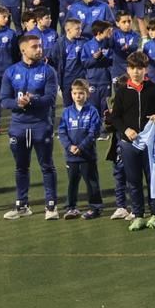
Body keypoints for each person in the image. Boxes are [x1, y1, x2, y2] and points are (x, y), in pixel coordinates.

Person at [0, 34, 61, 220]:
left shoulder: (48, 71)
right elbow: (4, 100)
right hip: (18, 126)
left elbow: (50, 99)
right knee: (21, 167)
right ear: (23, 50)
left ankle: (51, 206)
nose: (39, 49)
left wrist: (30, 100)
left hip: (41, 125)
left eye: (40, 46)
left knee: (47, 166)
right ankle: (22, 205)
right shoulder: (10, 72)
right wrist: (18, 103)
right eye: (35, 46)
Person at [108, 50, 155, 231]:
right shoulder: (121, 92)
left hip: (151, 143)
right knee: (133, 181)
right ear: (127, 69)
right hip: (128, 144)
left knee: (153, 180)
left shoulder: (153, 89)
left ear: (146, 69)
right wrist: (126, 130)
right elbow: (115, 117)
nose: (136, 72)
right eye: (133, 68)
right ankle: (139, 215)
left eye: (140, 68)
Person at [57, 79, 103, 219]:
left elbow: (93, 132)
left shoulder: (92, 111)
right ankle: (71, 207)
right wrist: (69, 146)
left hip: (87, 155)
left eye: (81, 93)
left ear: (87, 94)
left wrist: (81, 147)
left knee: (91, 182)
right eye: (75, 93)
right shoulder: (67, 113)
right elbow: (62, 132)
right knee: (72, 182)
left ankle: (95, 207)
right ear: (71, 94)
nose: (78, 96)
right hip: (71, 156)